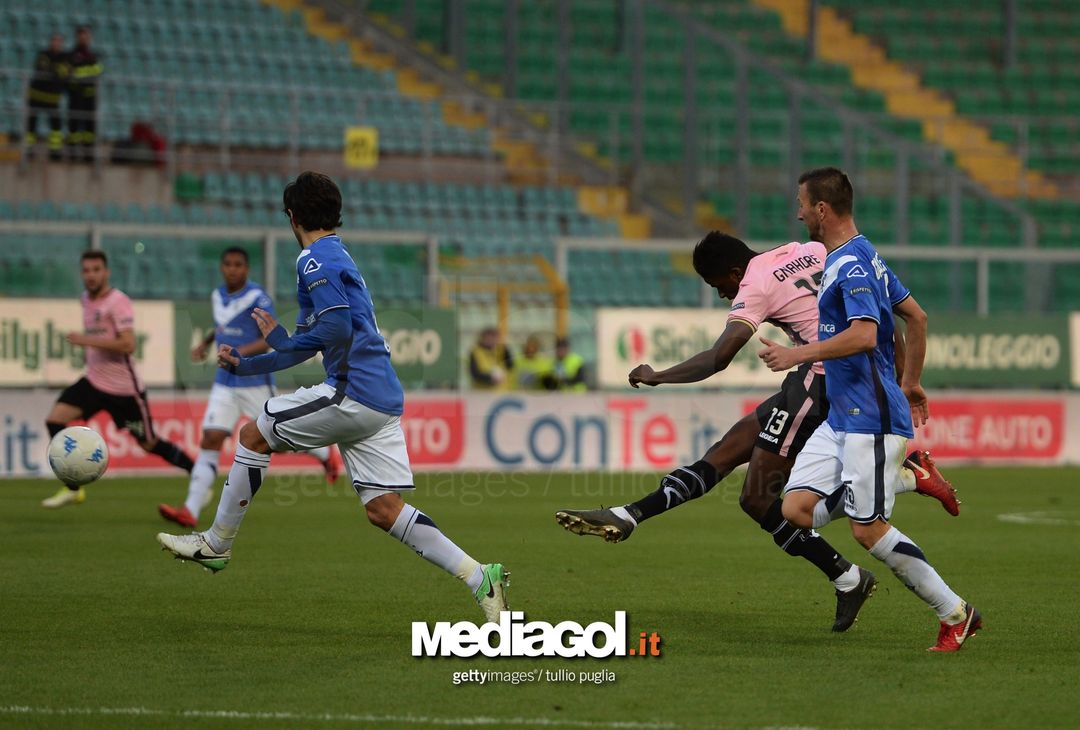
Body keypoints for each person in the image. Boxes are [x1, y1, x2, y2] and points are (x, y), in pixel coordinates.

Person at [556, 230, 958, 632]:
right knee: (727, 453)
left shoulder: (755, 283)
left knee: (759, 497)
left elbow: (718, 357)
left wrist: (658, 375)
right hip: (831, 378)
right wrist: (902, 379)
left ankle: (899, 490)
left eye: (719, 287)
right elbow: (885, 316)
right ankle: (632, 514)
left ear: (734, 272)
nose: (722, 296)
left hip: (818, 384)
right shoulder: (811, 250)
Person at [156, 172, 509, 622]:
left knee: (252, 435)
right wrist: (253, 363)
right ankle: (481, 577)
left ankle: (216, 543)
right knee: (383, 510)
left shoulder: (312, 259)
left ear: (292, 215)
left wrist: (281, 344)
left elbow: (334, 330)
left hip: (352, 392)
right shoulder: (338, 254)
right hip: (380, 399)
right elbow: (314, 338)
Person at [759, 167, 980, 651]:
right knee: (795, 510)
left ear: (821, 209)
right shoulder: (866, 255)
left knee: (867, 530)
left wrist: (794, 354)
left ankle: (955, 613)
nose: (797, 212)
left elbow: (865, 334)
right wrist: (912, 381)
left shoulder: (852, 266)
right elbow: (916, 317)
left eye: (801, 203)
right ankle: (908, 477)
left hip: (871, 418)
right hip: (843, 415)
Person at [158, 247, 341, 529]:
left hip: (255, 381)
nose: (232, 269)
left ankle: (325, 454)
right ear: (222, 268)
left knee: (277, 437)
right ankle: (190, 510)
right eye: (228, 264)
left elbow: (269, 338)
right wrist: (206, 343)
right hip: (225, 382)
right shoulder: (217, 296)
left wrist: (239, 352)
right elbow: (223, 326)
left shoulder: (258, 298)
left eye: (238, 265)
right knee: (210, 439)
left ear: (246, 269)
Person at [42, 251, 194, 508]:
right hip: (93, 381)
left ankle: (198, 473)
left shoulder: (118, 302)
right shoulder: (85, 300)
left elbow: (128, 344)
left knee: (149, 443)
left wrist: (86, 340)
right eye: (86, 270)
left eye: (96, 270)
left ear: (107, 272)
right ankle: (73, 487)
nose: (91, 275)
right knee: (55, 420)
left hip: (124, 390)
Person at [26, 33, 69, 158]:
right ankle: (29, 150)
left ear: (61, 44)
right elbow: (42, 69)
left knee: (56, 124)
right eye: (54, 41)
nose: (56, 44)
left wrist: (56, 72)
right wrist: (57, 72)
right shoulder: (43, 54)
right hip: (37, 95)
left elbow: (65, 72)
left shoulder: (64, 57)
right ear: (51, 42)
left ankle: (55, 151)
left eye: (58, 41)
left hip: (52, 98)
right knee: (31, 123)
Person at [67, 26, 103, 162]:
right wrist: (86, 73)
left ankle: (89, 154)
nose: (84, 39)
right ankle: (72, 153)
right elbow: (70, 73)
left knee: (90, 127)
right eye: (82, 36)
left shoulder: (93, 55)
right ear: (77, 37)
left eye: (87, 36)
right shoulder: (71, 55)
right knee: (74, 125)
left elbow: (98, 71)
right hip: (75, 95)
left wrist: (80, 73)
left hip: (90, 96)